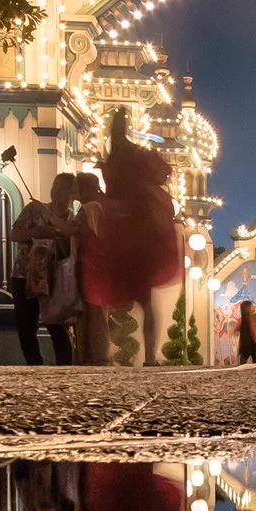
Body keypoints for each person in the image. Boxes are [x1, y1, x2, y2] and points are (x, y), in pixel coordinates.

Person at [78, 111, 180, 364]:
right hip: (136, 233)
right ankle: (147, 356)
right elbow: (163, 171)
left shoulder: (116, 158)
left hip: (123, 232)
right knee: (142, 299)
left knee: (109, 292)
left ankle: (106, 355)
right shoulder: (132, 155)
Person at [9, 172, 77, 366]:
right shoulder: (34, 209)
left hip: (54, 278)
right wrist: (36, 233)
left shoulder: (72, 220)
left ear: (71, 193)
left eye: (62, 187)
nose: (56, 190)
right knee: (26, 326)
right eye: (55, 185)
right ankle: (35, 365)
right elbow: (14, 233)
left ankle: (63, 367)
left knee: (56, 325)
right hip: (25, 275)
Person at [71, 171, 109, 364]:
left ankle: (90, 355)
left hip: (89, 266)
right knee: (98, 312)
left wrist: (50, 218)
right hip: (100, 267)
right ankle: (97, 354)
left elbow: (72, 229)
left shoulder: (89, 208)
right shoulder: (104, 206)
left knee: (89, 313)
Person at [236, 297, 256, 365]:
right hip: (245, 344)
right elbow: (236, 330)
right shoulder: (241, 320)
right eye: (251, 305)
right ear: (247, 308)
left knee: (255, 362)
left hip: (254, 343)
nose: (253, 306)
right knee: (243, 361)